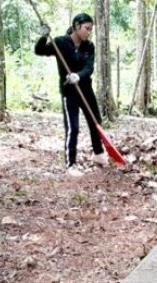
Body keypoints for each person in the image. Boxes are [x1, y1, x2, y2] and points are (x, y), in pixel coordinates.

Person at [35, 13, 106, 177]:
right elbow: (39, 51)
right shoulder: (60, 42)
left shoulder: (89, 46)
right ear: (76, 26)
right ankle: (71, 164)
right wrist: (43, 36)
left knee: (95, 121)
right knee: (73, 127)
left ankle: (98, 154)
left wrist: (78, 75)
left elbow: (89, 68)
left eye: (91, 29)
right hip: (69, 92)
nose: (89, 32)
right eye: (87, 28)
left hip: (85, 89)